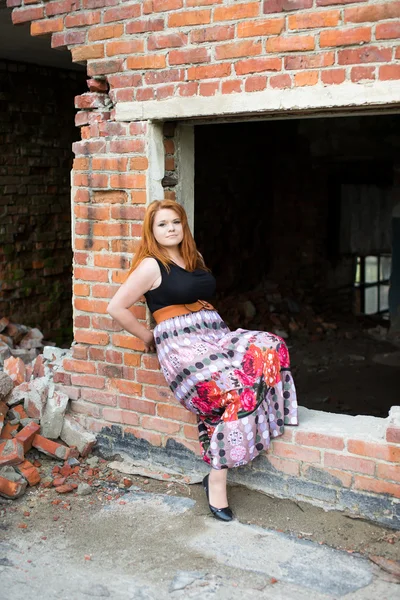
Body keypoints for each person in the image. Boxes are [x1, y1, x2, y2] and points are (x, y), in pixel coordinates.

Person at [107, 199, 298, 522]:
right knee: (232, 394)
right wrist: (147, 336)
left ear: (184, 226)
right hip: (181, 345)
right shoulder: (151, 266)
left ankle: (253, 434)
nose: (170, 229)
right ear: (152, 231)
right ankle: (218, 482)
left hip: (213, 333)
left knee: (271, 345)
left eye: (175, 222)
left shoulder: (194, 258)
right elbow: (116, 307)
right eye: (162, 224)